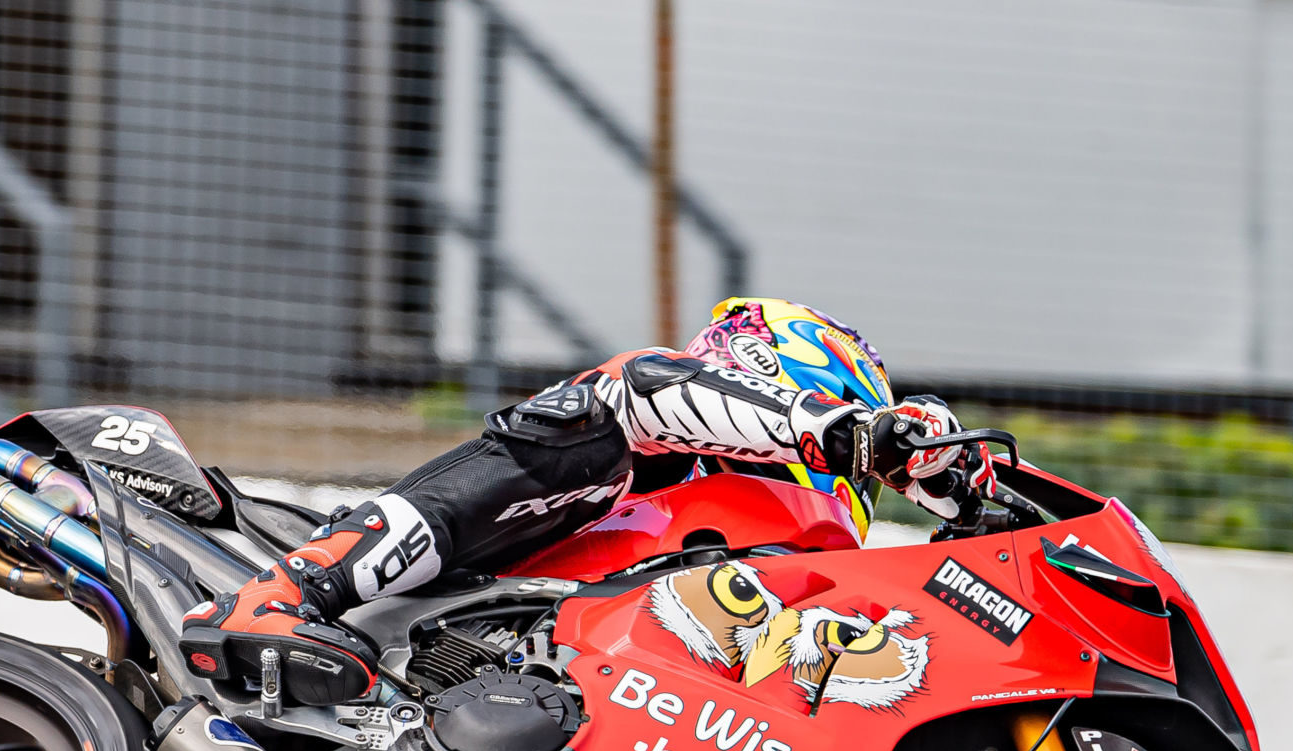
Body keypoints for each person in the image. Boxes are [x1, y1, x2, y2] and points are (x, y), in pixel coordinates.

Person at [180, 297, 996, 705]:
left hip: (565, 701)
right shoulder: (670, 431)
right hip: (453, 611)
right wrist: (843, 431)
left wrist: (966, 498)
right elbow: (653, 393)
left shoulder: (812, 553)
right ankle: (287, 594)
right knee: (595, 424)